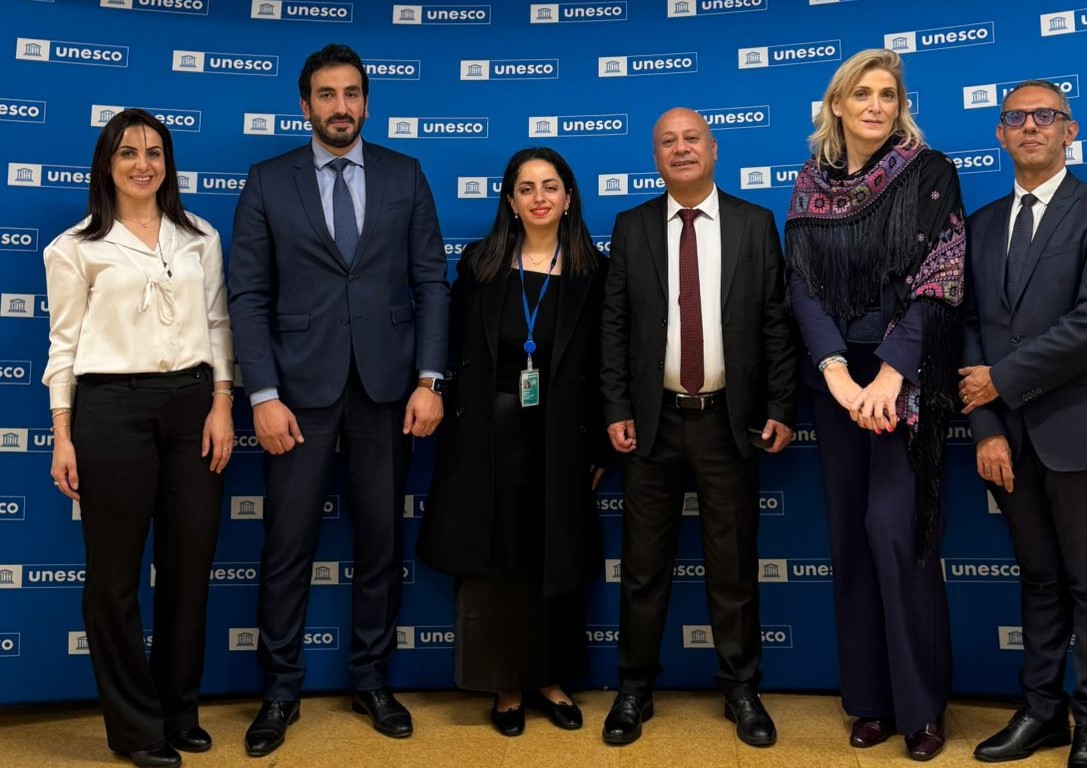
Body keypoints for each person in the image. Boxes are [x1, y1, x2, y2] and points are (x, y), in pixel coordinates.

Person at [227, 43, 449, 757]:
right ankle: (279, 691)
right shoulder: (268, 181)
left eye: (352, 93)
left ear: (367, 103)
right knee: (287, 546)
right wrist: (262, 394)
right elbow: (247, 295)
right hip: (296, 396)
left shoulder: (405, 174)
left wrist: (430, 380)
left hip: (388, 391)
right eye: (327, 95)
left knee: (381, 544)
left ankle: (372, 680)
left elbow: (431, 283)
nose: (341, 106)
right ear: (306, 106)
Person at [961, 80, 1087, 768]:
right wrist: (987, 427)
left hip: (1085, 428)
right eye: (1016, 117)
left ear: (1070, 131)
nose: (1030, 126)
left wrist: (1002, 380)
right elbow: (969, 330)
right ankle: (1042, 712)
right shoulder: (980, 225)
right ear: (1000, 135)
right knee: (1039, 579)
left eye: (1046, 116)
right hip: (1008, 438)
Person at [784, 48, 964, 762]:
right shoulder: (809, 182)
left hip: (906, 380)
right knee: (852, 541)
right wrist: (835, 372)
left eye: (888, 95)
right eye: (862, 93)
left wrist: (892, 374)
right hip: (838, 383)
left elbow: (941, 276)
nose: (876, 106)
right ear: (837, 104)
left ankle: (922, 709)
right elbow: (801, 285)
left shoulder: (930, 172)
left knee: (897, 535)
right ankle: (871, 702)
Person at [600, 107, 797, 748]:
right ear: (655, 157)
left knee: (733, 566)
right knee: (642, 567)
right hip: (652, 422)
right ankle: (633, 690)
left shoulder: (754, 223)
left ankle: (741, 691)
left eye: (692, 139)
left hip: (728, 422)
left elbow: (776, 322)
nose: (681, 149)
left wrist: (781, 406)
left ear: (714, 150)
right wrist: (616, 408)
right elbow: (614, 326)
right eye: (668, 141)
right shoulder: (631, 227)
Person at [43, 108, 234, 768]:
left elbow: (219, 325)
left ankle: (179, 709)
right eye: (127, 152)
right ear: (107, 164)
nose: (142, 164)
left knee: (189, 566)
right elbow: (63, 346)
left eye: (154, 152)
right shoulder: (74, 248)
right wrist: (62, 434)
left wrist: (222, 404)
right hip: (110, 410)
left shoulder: (200, 236)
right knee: (114, 578)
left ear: (168, 163)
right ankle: (135, 728)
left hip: (193, 408)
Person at [418, 147, 608, 737]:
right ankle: (504, 686)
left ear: (569, 197)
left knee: (553, 554)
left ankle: (550, 680)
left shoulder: (595, 272)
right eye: (526, 188)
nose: (539, 197)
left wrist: (600, 447)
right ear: (510, 201)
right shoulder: (480, 264)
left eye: (550, 186)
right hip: (489, 437)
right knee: (499, 562)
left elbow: (610, 364)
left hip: (563, 437)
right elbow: (450, 343)